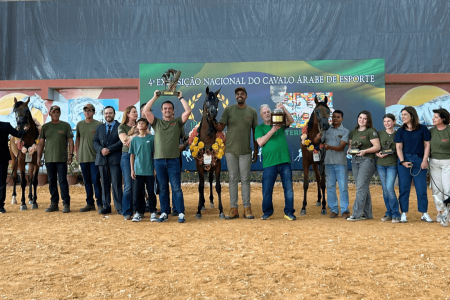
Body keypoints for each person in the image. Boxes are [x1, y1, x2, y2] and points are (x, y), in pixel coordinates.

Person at [143, 90, 191, 223]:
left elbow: (187, 111)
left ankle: (181, 212)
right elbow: (146, 111)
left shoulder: (177, 123)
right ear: (162, 110)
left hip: (173, 160)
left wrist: (180, 97)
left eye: (170, 108)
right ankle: (164, 212)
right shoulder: (156, 123)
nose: (167, 110)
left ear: (173, 111)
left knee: (176, 188)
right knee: (163, 189)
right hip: (158, 161)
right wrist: (155, 97)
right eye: (165, 109)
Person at [213, 87, 258, 219]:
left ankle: (247, 208)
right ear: (235, 96)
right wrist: (212, 118)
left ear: (246, 96)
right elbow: (220, 127)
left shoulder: (252, 112)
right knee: (232, 179)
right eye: (237, 94)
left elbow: (255, 132)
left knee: (245, 179)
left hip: (246, 151)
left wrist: (256, 150)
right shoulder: (228, 110)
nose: (240, 95)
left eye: (242, 94)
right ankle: (233, 209)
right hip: (230, 151)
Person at [255, 103, 296, 220]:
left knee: (288, 189)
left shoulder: (280, 123)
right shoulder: (259, 128)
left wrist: (284, 109)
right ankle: (268, 212)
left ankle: (289, 212)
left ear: (272, 112)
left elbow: (291, 120)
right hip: (269, 163)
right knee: (267, 190)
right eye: (264, 112)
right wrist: (273, 129)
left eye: (268, 111)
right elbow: (261, 142)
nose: (267, 114)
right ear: (261, 115)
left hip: (284, 161)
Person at [395, 106, 432, 223]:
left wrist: (425, 160)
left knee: (421, 188)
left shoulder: (423, 129)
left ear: (412, 115)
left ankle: (424, 213)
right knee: (404, 188)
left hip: (419, 160)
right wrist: (402, 161)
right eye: (402, 115)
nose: (403, 117)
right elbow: (399, 147)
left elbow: (427, 145)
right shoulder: (400, 131)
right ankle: (403, 213)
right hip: (404, 160)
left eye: (405, 114)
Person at [37, 105, 74, 213]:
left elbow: (71, 141)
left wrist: (70, 155)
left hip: (61, 159)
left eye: (58, 112)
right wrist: (39, 157)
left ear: (60, 113)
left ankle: (66, 203)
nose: (56, 114)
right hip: (49, 159)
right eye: (54, 112)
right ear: (50, 114)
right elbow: (41, 143)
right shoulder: (45, 127)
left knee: (62, 180)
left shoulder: (65, 126)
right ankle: (54, 203)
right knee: (51, 181)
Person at [314, 110, 350, 219]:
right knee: (330, 187)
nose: (335, 119)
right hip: (328, 163)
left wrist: (329, 147)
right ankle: (334, 209)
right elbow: (316, 142)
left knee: (343, 187)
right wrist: (318, 137)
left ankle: (345, 210)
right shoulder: (326, 130)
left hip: (340, 163)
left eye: (338, 117)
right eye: (334, 117)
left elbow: (341, 147)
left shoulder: (345, 131)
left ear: (342, 119)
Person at [347, 110, 380, 221]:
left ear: (368, 120)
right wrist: (349, 151)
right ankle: (367, 213)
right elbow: (351, 147)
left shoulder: (370, 131)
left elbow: (377, 146)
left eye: (364, 118)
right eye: (360, 117)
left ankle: (356, 214)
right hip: (355, 160)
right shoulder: (353, 132)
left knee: (360, 187)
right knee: (363, 187)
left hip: (367, 160)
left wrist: (365, 151)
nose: (362, 120)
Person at [93, 106, 123, 215]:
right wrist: (101, 149)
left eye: (110, 113)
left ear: (114, 114)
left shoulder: (120, 127)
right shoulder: (99, 127)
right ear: (104, 114)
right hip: (102, 159)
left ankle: (119, 207)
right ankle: (106, 206)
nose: (108, 115)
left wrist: (109, 149)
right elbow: (95, 142)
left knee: (116, 183)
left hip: (115, 159)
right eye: (106, 113)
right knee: (104, 184)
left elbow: (121, 141)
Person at [75, 104, 103, 213]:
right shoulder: (79, 125)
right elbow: (77, 139)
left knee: (96, 181)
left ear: (93, 112)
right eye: (86, 111)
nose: (87, 112)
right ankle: (90, 203)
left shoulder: (99, 125)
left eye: (90, 111)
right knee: (87, 181)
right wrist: (77, 153)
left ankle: (100, 203)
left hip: (95, 158)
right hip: (83, 157)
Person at [129, 118, 156, 222]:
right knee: (137, 193)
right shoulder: (134, 140)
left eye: (142, 123)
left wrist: (154, 168)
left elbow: (154, 154)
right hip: (138, 171)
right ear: (136, 126)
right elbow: (132, 155)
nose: (140, 124)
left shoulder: (152, 138)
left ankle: (153, 212)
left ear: (147, 126)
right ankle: (138, 212)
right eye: (138, 123)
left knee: (151, 192)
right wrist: (132, 170)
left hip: (149, 170)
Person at [375, 113, 400, 223]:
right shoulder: (379, 133)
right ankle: (388, 213)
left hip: (392, 164)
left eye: (389, 121)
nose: (387, 123)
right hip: (381, 164)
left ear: (394, 122)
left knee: (390, 188)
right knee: (385, 190)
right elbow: (375, 147)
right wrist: (377, 154)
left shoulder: (398, 134)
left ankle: (396, 213)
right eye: (385, 121)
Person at [428, 108, 450, 223]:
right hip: (434, 163)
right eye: (434, 117)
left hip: (448, 163)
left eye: (436, 117)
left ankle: (448, 213)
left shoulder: (449, 130)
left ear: (443, 119)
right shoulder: (431, 131)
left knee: (448, 188)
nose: (433, 118)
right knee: (437, 189)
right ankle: (439, 213)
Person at [0, 123, 26, 213]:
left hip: (2, 158)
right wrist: (24, 129)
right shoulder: (5, 126)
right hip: (2, 158)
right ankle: (0, 206)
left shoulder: (6, 125)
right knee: (2, 181)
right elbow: (18, 134)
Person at [118, 105, 138, 220]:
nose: (136, 114)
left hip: (139, 156)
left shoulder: (140, 125)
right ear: (128, 114)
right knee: (128, 185)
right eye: (133, 112)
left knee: (137, 185)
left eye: (136, 112)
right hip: (126, 156)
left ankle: (137, 210)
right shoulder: (122, 127)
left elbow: (147, 137)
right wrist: (137, 136)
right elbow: (125, 141)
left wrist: (132, 137)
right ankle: (127, 212)